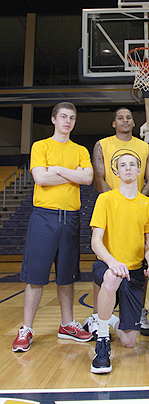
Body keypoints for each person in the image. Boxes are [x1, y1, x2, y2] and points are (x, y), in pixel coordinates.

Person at [12, 102, 94, 352]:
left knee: (66, 275)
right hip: (44, 216)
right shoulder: (41, 145)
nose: (67, 121)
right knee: (35, 277)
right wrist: (72, 174)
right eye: (63, 117)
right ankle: (26, 328)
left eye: (71, 118)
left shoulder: (80, 149)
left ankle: (67, 324)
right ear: (53, 119)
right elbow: (40, 178)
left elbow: (88, 178)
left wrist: (57, 170)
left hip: (70, 217)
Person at [83, 107, 149, 338]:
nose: (125, 120)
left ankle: (135, 314)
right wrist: (118, 198)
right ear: (113, 123)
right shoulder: (102, 144)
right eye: (120, 118)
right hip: (112, 205)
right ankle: (98, 319)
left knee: (138, 265)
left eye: (129, 117)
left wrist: (135, 200)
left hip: (136, 204)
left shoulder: (144, 147)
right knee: (108, 265)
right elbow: (98, 176)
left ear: (134, 123)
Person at [89, 153, 149, 374]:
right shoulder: (105, 199)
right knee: (111, 279)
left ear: (139, 171)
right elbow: (95, 241)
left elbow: (148, 244)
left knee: (129, 341)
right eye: (123, 165)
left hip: (134, 271)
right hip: (107, 265)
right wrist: (112, 262)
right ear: (117, 172)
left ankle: (108, 318)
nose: (128, 168)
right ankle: (102, 341)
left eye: (132, 164)